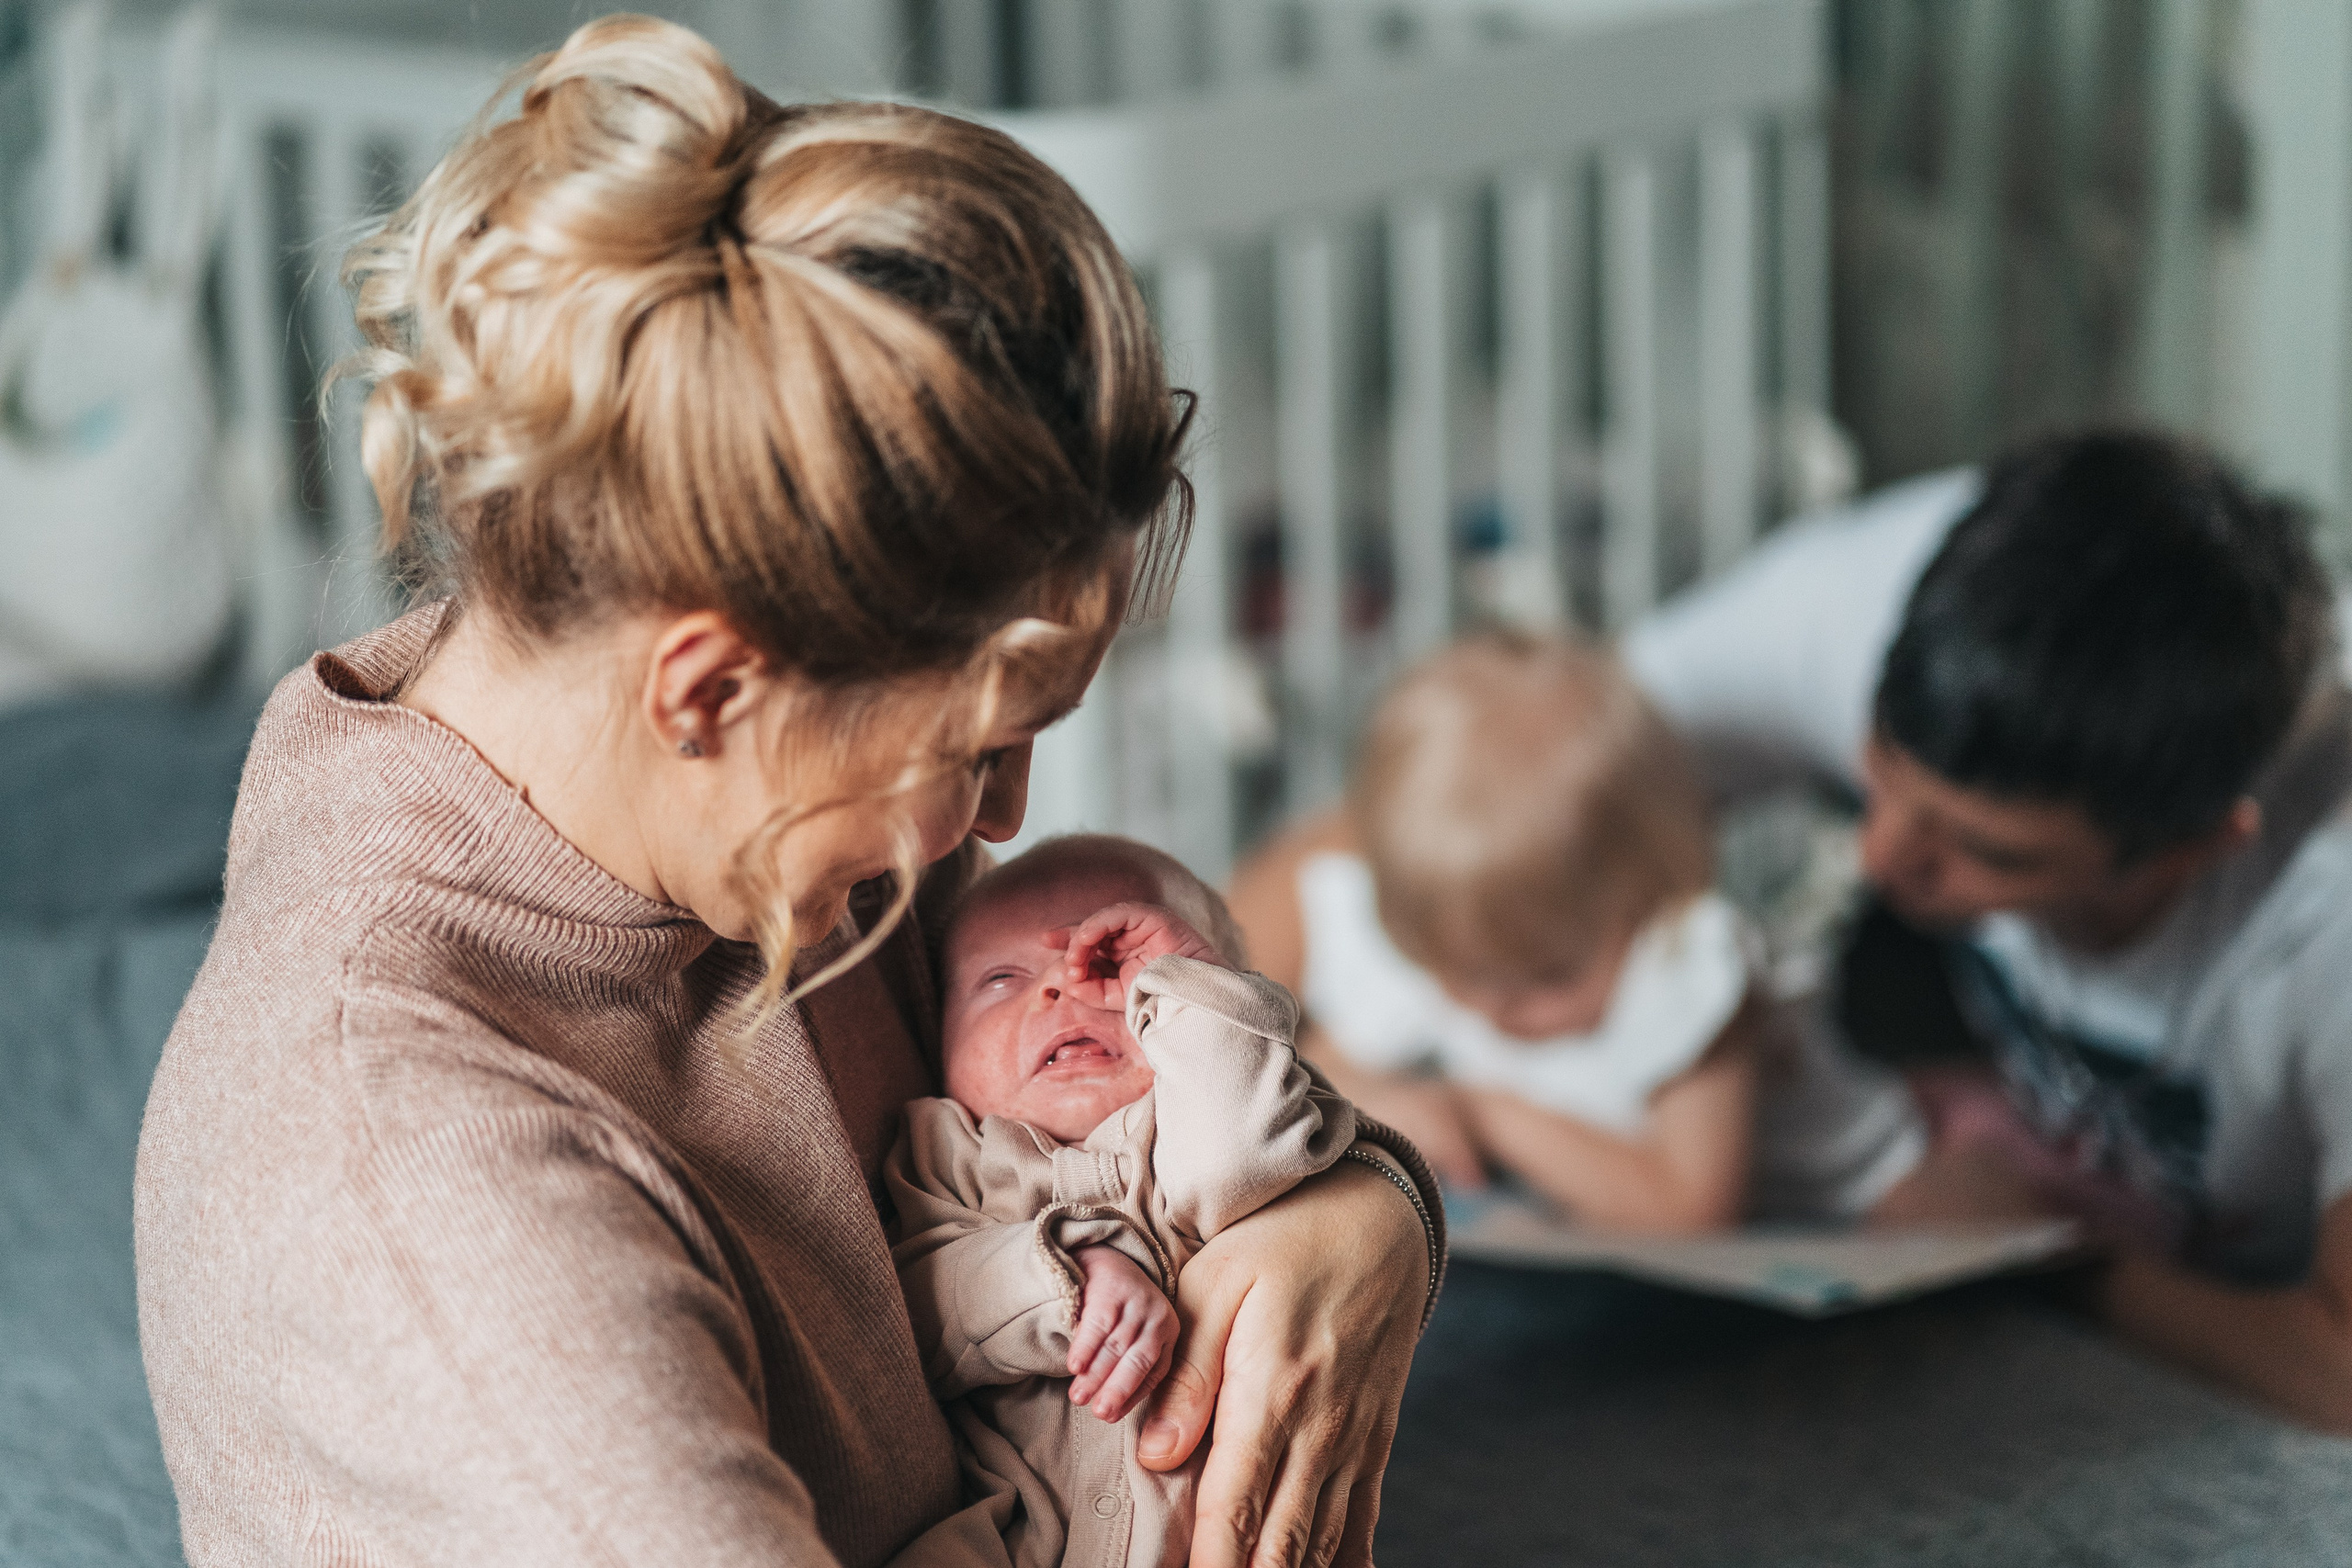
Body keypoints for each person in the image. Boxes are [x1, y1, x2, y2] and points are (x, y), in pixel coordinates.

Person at [132, 19, 1442, 1567]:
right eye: (976, 747)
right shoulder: (420, 1179)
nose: (1004, 817)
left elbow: (1142, 1122)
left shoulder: (725, 797)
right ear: (706, 687)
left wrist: (1365, 1221)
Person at [1624, 429, 2352, 1428]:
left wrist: (2046, 1250)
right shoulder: (1883, 594)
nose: (1880, 859)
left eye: (1986, 850)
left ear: (2191, 846)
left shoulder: (2329, 906)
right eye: (1874, 775)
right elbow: (1426, 807)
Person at [1228, 632, 1927, 1233]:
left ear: (1650, 900)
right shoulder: (1465, 944)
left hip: (1871, 1176)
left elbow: (1691, 1212)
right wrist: (1365, 1094)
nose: (1492, 1008)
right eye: (1459, 972)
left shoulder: (1680, 965)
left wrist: (1483, 1114)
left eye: (1545, 977)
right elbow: (1310, 1051)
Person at [890, 835, 1395, 1568]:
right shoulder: (949, 1152)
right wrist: (1065, 1270)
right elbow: (917, 1302)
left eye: (1123, 970)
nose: (1060, 990)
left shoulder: (1198, 1126)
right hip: (1012, 1527)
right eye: (1000, 979)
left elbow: (1255, 1140)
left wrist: (1192, 984)